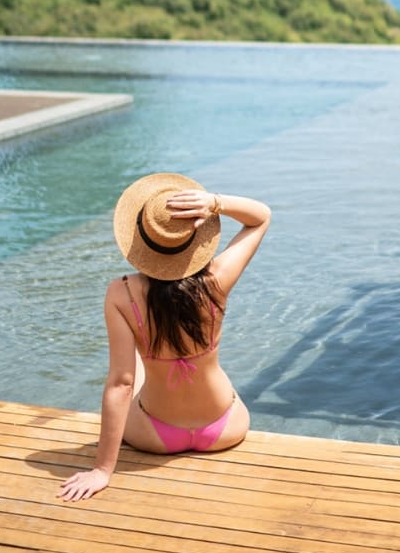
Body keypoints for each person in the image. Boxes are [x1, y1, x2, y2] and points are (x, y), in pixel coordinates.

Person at [58, 172, 271, 502]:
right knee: (209, 369)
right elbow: (260, 218)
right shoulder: (217, 279)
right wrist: (215, 202)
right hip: (224, 429)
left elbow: (121, 384)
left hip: (156, 437)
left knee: (137, 369)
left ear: (140, 241)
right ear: (194, 240)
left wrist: (102, 470)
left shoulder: (121, 293)